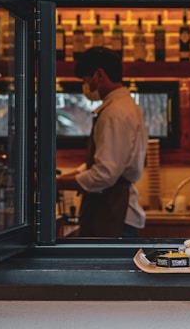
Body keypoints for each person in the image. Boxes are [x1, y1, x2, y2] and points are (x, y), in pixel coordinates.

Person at [56, 47, 148, 238]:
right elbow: (104, 163)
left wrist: (53, 184)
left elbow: (105, 174)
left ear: (99, 75)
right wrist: (60, 180)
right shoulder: (126, 106)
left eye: (85, 79)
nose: (85, 85)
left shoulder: (114, 113)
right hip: (115, 212)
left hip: (114, 213)